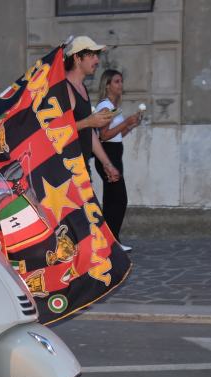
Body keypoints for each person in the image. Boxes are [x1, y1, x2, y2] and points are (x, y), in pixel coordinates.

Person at [94, 69, 143, 253]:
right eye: (116, 81)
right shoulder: (105, 107)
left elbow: (116, 135)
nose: (120, 85)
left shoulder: (112, 106)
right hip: (107, 155)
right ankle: (111, 241)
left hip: (114, 153)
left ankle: (109, 241)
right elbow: (104, 136)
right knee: (119, 199)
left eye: (121, 81)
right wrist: (126, 121)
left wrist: (130, 126)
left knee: (112, 199)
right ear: (107, 85)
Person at [63, 36, 120, 185]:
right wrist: (89, 121)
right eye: (92, 55)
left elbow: (89, 133)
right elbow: (55, 132)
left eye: (97, 55)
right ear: (77, 58)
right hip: (66, 174)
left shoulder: (81, 88)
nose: (97, 60)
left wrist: (107, 164)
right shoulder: (64, 90)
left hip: (82, 169)